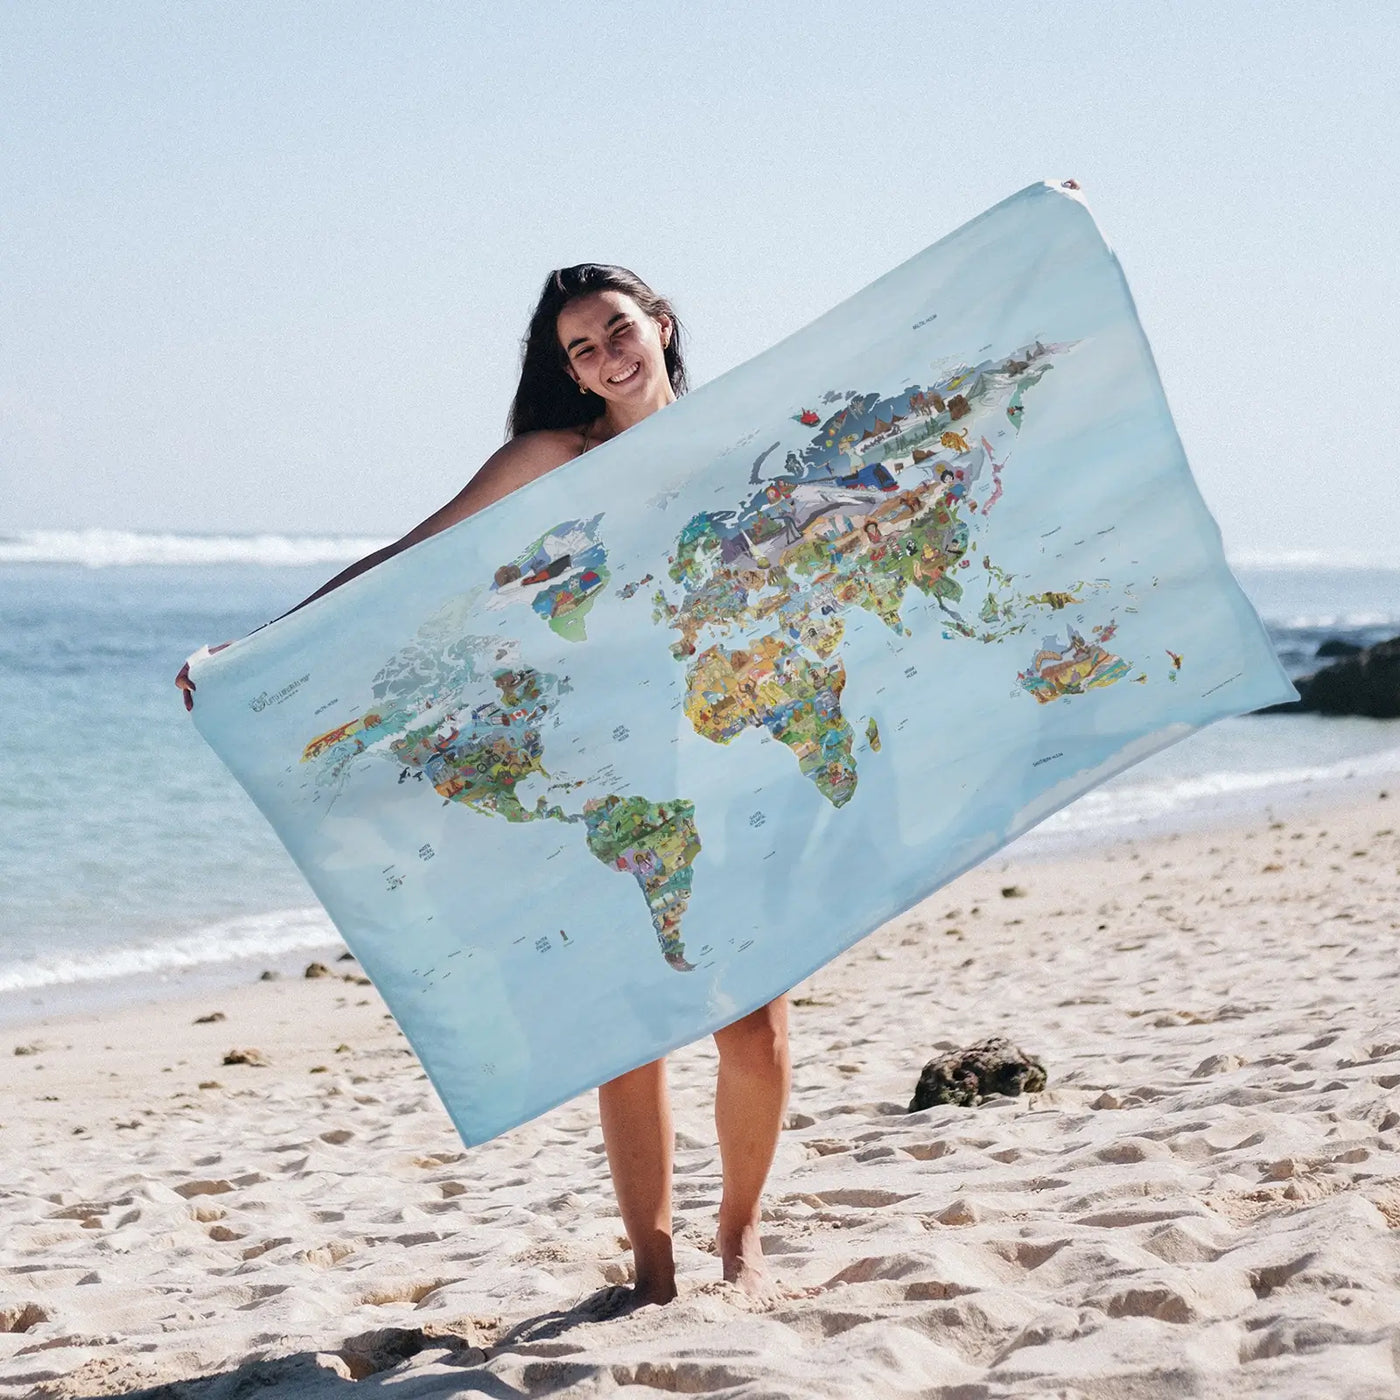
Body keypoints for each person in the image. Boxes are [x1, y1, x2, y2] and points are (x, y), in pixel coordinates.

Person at [176, 264, 794, 1308]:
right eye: (581, 350)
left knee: (756, 1027)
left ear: (661, 324)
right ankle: (653, 1260)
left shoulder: (739, 431)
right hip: (604, 763)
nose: (606, 357)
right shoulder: (555, 455)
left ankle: (740, 1229)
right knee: (630, 1025)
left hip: (733, 752)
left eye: (615, 330)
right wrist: (255, 651)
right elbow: (411, 558)